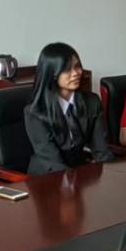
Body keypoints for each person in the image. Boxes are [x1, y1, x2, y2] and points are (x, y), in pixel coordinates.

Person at [24, 42, 114, 175]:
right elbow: (53, 161)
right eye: (67, 69)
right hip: (46, 177)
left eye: (77, 66)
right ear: (52, 73)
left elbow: (101, 150)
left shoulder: (92, 102)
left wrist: (114, 174)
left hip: (79, 173)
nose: (76, 73)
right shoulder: (35, 112)